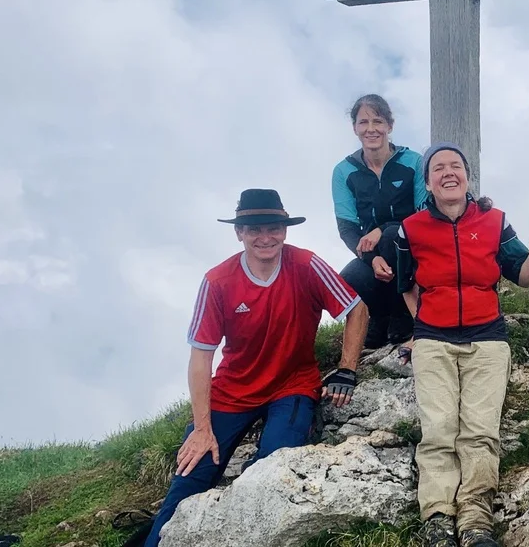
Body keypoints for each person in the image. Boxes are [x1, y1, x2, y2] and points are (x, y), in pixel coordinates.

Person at [144, 189, 369, 547]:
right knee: (191, 475)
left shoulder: (307, 265)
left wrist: (346, 368)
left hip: (292, 386)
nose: (265, 238)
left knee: (272, 466)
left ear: (285, 230)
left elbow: (355, 308)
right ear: (239, 233)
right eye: (254, 229)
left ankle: (222, 519)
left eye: (273, 228)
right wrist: (202, 428)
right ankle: (155, 537)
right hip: (232, 391)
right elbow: (201, 357)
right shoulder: (218, 281)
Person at [380, 142, 529, 547]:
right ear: (428, 182)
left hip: (487, 339)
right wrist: (423, 323)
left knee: (479, 433)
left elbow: (522, 276)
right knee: (439, 430)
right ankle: (438, 519)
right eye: (438, 168)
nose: (447, 173)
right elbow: (406, 284)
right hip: (433, 340)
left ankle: (476, 522)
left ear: (468, 177)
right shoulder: (411, 228)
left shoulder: (495, 220)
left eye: (455, 166)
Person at [331, 94, 426, 349]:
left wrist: (382, 229)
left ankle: (403, 315)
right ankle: (379, 317)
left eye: (378, 121)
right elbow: (347, 228)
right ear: (355, 128)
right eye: (363, 122)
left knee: (392, 235)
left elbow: (421, 214)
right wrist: (371, 259)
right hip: (372, 252)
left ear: (390, 126)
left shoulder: (413, 161)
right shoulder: (344, 171)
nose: (371, 129)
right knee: (349, 277)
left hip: (412, 248)